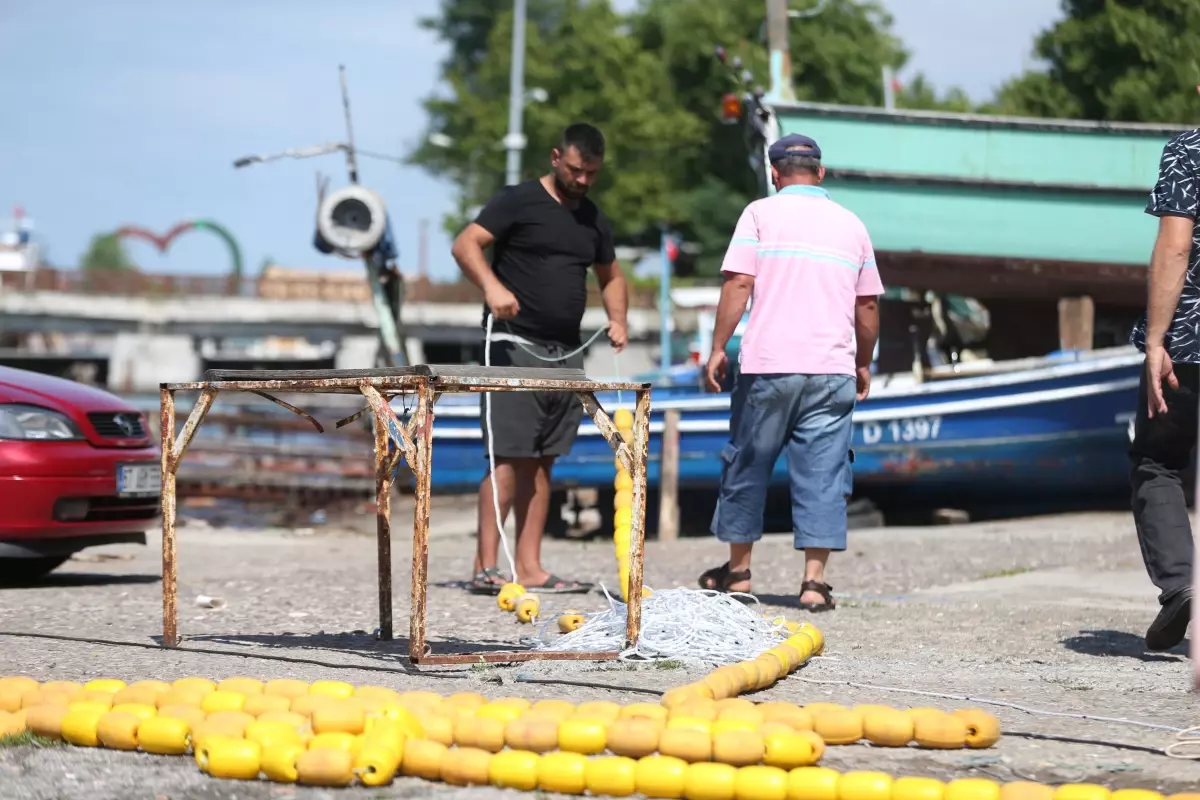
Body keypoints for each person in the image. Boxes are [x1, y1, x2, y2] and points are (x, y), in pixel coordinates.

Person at [699, 133, 882, 612]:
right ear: (820, 173)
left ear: (775, 173)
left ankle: (737, 573)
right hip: (831, 370)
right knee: (824, 472)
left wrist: (717, 348)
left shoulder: (759, 213)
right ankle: (814, 584)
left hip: (769, 366)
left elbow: (739, 281)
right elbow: (867, 307)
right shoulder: (852, 225)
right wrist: (862, 361)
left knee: (747, 462)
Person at [450, 122, 629, 595]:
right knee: (508, 459)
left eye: (592, 173)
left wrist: (619, 319)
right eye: (576, 170)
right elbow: (465, 244)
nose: (584, 180)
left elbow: (611, 275)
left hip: (566, 354)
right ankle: (486, 566)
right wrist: (492, 287)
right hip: (512, 345)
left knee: (545, 461)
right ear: (555, 157)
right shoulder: (518, 200)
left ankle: (529, 567)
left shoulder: (592, 218)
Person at [1128, 127, 1200, 651]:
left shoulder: (1190, 147)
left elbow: (1175, 246)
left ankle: (1181, 585)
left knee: (1158, 463)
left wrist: (1156, 341)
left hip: (1190, 344)